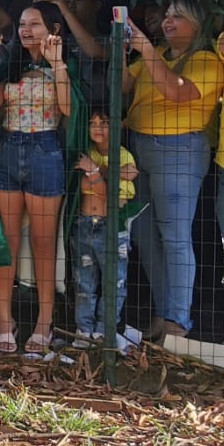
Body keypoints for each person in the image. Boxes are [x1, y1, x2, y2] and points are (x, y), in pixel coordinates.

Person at [125, 0, 223, 338]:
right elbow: (123, 84)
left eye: (177, 16)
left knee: (175, 237)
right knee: (144, 234)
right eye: (166, 15)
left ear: (197, 25)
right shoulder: (160, 55)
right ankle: (164, 312)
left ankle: (178, 323)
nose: (168, 21)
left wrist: (145, 50)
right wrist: (126, 49)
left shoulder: (206, 59)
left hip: (179, 150)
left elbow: (175, 91)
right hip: (140, 148)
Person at [0, 4, 72, 355]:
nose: (26, 30)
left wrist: (58, 62)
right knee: (8, 242)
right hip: (8, 149)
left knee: (45, 245)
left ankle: (44, 323)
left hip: (45, 150)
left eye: (34, 24)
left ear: (53, 28)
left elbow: (66, 108)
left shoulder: (60, 64)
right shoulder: (12, 63)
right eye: (21, 24)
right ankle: (6, 322)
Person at [72, 109, 137, 348]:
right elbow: (93, 186)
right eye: (92, 123)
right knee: (84, 281)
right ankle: (84, 330)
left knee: (114, 281)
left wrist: (95, 172)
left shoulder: (124, 155)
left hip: (113, 228)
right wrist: (102, 175)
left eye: (105, 122)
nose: (98, 127)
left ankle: (104, 330)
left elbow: (109, 188)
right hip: (85, 224)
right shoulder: (84, 153)